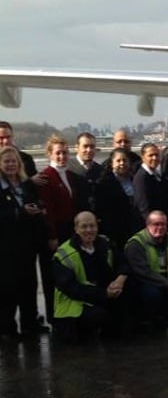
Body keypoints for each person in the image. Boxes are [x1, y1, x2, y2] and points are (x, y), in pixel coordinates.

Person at [37, 134, 92, 323]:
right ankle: (54, 315)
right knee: (52, 275)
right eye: (58, 153)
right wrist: (51, 236)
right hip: (55, 231)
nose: (62, 156)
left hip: (70, 230)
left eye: (65, 153)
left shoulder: (70, 175)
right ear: (50, 154)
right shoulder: (46, 177)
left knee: (71, 272)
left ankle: (71, 310)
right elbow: (47, 210)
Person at [52, 211, 127, 343]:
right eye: (84, 226)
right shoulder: (63, 254)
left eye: (92, 226)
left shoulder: (105, 244)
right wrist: (104, 294)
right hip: (74, 304)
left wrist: (120, 280)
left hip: (101, 293)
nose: (89, 230)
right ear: (76, 229)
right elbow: (72, 289)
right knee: (99, 317)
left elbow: (123, 262)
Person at [0, 146, 47, 339]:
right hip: (6, 245)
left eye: (14, 161)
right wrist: (20, 212)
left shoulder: (26, 184)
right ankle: (8, 329)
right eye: (6, 162)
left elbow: (34, 201)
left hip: (27, 244)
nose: (11, 165)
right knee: (8, 288)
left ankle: (29, 324)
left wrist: (39, 209)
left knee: (29, 285)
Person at [124, 210, 168, 329]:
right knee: (152, 294)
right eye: (156, 224)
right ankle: (152, 322)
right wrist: (167, 285)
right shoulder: (136, 244)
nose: (160, 227)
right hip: (146, 282)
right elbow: (143, 272)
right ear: (148, 225)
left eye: (163, 224)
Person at [95, 148, 143, 252]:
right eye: (118, 161)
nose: (122, 163)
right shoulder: (103, 183)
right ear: (112, 163)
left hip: (134, 228)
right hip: (115, 232)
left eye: (125, 160)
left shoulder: (135, 179)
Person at [133, 143, 168, 221]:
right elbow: (144, 207)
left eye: (157, 155)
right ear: (143, 157)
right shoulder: (141, 178)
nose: (154, 158)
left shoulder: (157, 174)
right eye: (150, 155)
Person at [67, 132, 103, 205]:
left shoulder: (101, 170)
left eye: (92, 146)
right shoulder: (67, 168)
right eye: (85, 146)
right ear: (77, 147)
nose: (89, 150)